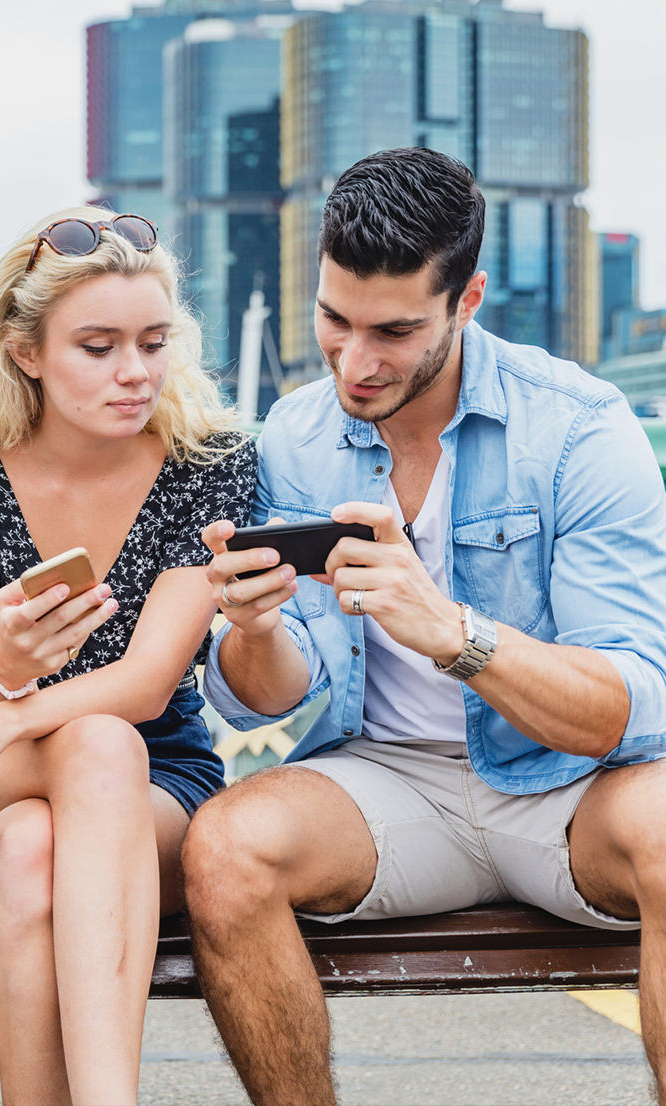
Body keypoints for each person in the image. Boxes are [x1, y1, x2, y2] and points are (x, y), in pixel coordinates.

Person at [187, 146, 666, 1105]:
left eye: (395, 331)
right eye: (333, 319)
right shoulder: (293, 434)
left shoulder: (578, 427)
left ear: (467, 298)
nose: (355, 363)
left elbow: (628, 710)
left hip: (571, 788)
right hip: (386, 781)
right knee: (225, 847)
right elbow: (271, 701)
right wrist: (249, 628)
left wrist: (453, 633)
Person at [0, 207, 255, 1105]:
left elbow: (147, 683)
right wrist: (5, 671)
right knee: (64, 770)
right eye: (98, 347)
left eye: (153, 341)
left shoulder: (209, 463)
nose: (135, 373)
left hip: (156, 777)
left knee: (32, 839)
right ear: (25, 352)